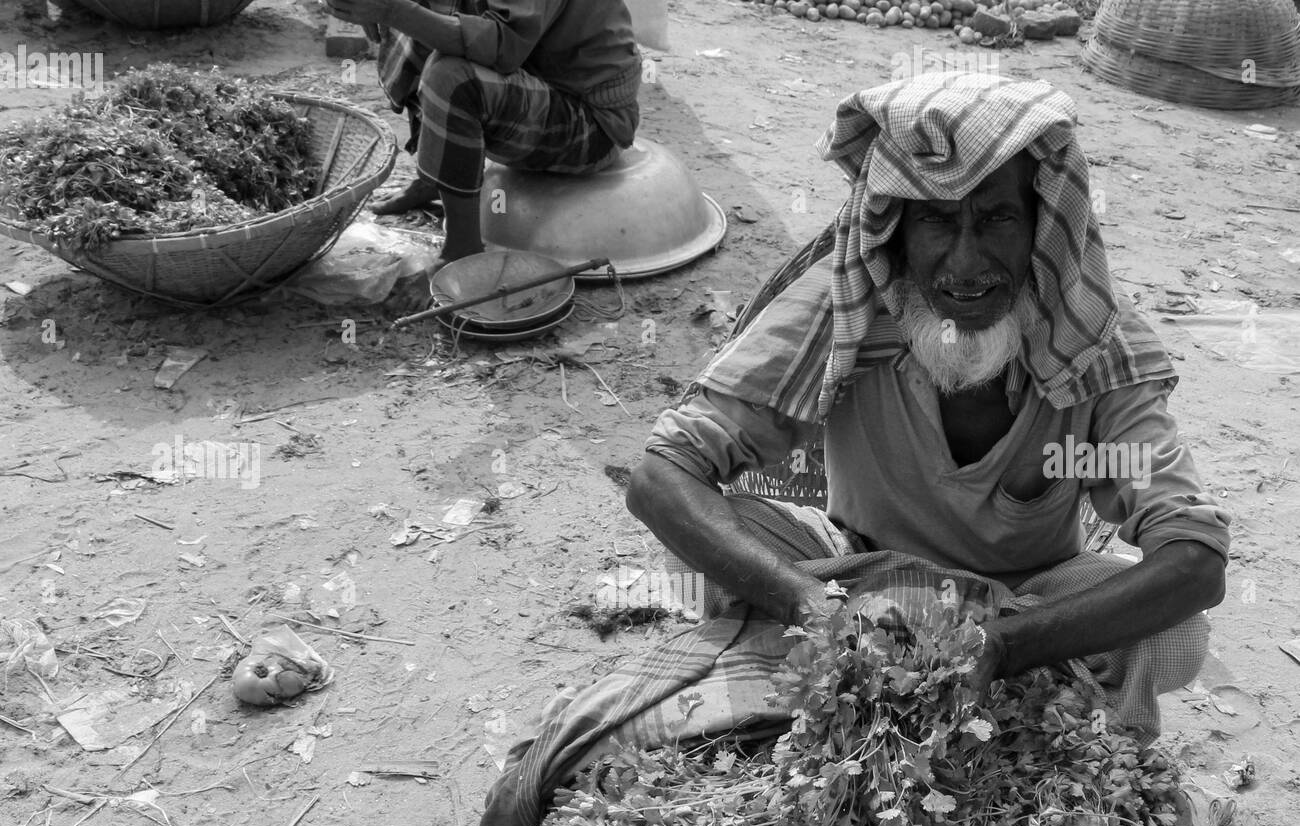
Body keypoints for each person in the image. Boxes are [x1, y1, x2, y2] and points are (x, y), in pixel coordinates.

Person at [626, 71, 1229, 744]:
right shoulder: (843, 314)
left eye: (998, 218)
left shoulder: (1090, 340)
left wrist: (1002, 645)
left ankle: (1042, 715)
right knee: (700, 546)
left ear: (1041, 228)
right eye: (938, 221)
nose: (967, 263)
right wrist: (809, 603)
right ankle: (830, 684)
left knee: (1175, 630)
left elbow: (1195, 559)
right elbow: (661, 476)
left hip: (1031, 601)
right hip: (860, 578)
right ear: (896, 233)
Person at [325, 0, 641, 265]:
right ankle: (432, 177)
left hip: (589, 121)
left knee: (451, 76)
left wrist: (392, 11)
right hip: (534, 77)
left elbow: (502, 45)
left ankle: (462, 252)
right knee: (418, 19)